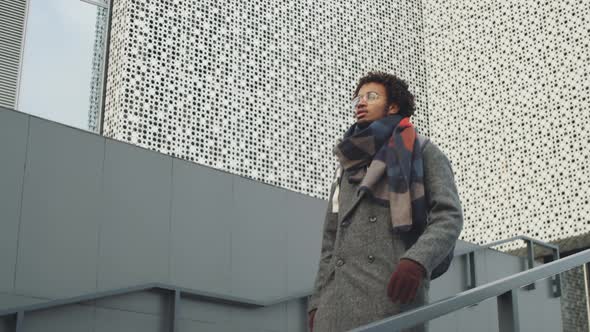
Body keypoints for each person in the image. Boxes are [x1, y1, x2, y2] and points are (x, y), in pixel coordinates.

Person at [307, 71, 464, 332]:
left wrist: (417, 260)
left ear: (392, 106)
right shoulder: (346, 165)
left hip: (390, 294)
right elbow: (330, 239)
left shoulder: (422, 150)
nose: (360, 102)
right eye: (358, 97)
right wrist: (316, 301)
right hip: (335, 305)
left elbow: (449, 215)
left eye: (371, 96)